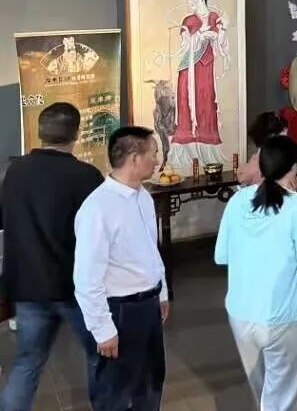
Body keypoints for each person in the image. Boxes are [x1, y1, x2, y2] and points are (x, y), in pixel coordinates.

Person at [0, 103, 102, 411]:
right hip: (75, 287)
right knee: (100, 355)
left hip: (28, 286)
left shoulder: (14, 172)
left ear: (40, 132)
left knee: (28, 361)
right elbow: (101, 234)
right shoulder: (86, 176)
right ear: (76, 134)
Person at [215, 135, 297, 411]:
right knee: (282, 395)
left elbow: (221, 255)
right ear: (293, 167)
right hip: (282, 316)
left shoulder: (238, 200)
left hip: (241, 313)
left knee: (263, 388)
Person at [74, 126, 170, 411]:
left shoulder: (143, 197)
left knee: (151, 381)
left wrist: (161, 291)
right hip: (120, 311)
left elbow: (151, 250)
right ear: (134, 158)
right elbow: (86, 278)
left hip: (148, 305)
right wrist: (102, 329)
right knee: (115, 389)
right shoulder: (97, 209)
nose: (157, 160)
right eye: (153, 153)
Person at [168, 0, 229, 169]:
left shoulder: (214, 17)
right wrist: (200, 34)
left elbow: (222, 45)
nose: (190, 2)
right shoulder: (188, 21)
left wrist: (223, 29)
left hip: (206, 67)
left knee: (206, 101)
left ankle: (207, 148)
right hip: (189, 68)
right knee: (187, 102)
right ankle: (187, 148)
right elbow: (185, 46)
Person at [236, 111, 289, 186]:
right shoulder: (262, 160)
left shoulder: (260, 159)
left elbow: (242, 175)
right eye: (283, 132)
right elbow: (244, 175)